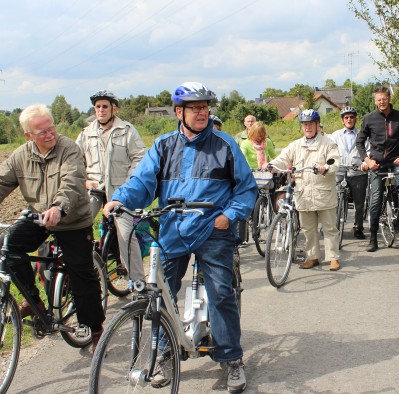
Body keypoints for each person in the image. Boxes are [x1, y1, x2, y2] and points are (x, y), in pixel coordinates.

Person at [103, 82, 256, 393]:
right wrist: (120, 200)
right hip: (173, 229)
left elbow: (245, 189)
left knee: (221, 294)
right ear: (179, 112)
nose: (202, 112)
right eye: (195, 108)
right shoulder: (163, 146)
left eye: (205, 107)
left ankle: (232, 359)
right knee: (160, 293)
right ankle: (164, 353)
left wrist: (229, 215)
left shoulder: (226, 146)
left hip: (214, 230)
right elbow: (142, 183)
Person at [0, 104, 105, 350]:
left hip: (71, 219)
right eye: (42, 132)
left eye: (51, 128)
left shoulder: (69, 148)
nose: (50, 134)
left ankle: (96, 328)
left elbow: (71, 182)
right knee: (9, 248)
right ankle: (32, 301)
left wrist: (58, 207)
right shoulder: (20, 156)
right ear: (28, 135)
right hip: (38, 217)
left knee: (81, 272)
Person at [76, 89, 147, 282]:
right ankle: (82, 269)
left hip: (119, 191)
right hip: (94, 189)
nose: (101, 110)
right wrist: (84, 180)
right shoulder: (86, 133)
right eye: (97, 106)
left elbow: (140, 157)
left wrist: (128, 184)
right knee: (78, 224)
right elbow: (74, 161)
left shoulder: (127, 130)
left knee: (126, 235)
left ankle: (138, 284)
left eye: (104, 106)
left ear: (113, 109)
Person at [268, 109, 342, 271]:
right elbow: (283, 158)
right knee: (308, 228)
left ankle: (333, 258)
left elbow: (334, 161)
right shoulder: (296, 145)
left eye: (310, 124)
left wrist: (326, 167)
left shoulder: (328, 143)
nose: (307, 127)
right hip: (303, 193)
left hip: (323, 192)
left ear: (317, 125)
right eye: (304, 124)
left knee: (330, 228)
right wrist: (272, 165)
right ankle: (313, 256)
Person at [356, 85, 399, 252]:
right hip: (378, 164)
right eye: (378, 99)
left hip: (396, 161)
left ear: (389, 98)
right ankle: (373, 237)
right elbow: (359, 142)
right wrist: (367, 160)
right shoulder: (369, 118)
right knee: (376, 199)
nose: (382, 102)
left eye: (384, 98)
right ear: (375, 101)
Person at [330, 107, 368, 239]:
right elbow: (329, 150)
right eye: (346, 117)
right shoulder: (335, 135)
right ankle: (331, 226)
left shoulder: (362, 134)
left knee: (359, 202)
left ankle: (358, 227)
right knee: (332, 199)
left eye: (351, 117)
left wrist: (365, 163)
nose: (349, 119)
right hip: (339, 170)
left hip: (357, 172)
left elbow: (367, 150)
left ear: (355, 119)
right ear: (342, 121)